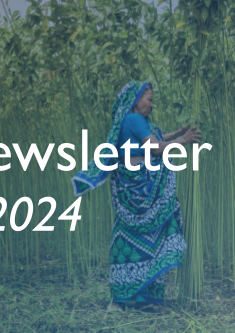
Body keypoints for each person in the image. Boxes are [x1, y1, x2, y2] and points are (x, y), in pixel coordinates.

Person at [71, 80, 202, 313]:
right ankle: (136, 297)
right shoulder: (134, 119)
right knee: (151, 232)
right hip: (139, 187)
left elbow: (152, 138)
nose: (152, 105)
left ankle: (133, 298)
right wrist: (182, 141)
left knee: (130, 238)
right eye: (149, 100)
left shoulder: (132, 122)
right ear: (135, 101)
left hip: (132, 188)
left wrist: (175, 134)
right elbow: (154, 147)